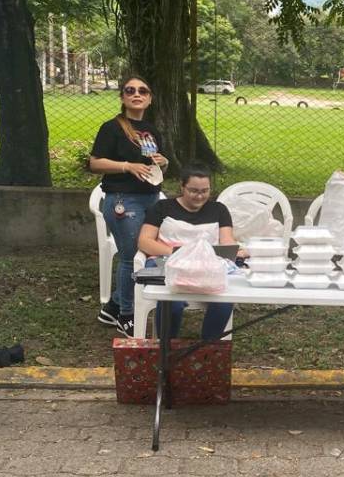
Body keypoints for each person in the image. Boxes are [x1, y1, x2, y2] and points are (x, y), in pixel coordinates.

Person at [89, 75, 168, 336]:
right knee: (131, 256)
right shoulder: (112, 128)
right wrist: (126, 166)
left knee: (144, 254)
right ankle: (127, 314)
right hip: (123, 199)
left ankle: (112, 307)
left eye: (143, 91)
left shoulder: (150, 129)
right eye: (130, 90)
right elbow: (95, 163)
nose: (137, 94)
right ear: (122, 97)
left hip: (151, 199)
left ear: (150, 98)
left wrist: (162, 161)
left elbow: (151, 163)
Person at [137, 163, 241, 341]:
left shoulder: (219, 210)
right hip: (167, 262)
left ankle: (207, 348)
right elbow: (144, 241)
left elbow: (227, 243)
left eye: (205, 191)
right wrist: (179, 253)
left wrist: (239, 251)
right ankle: (166, 347)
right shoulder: (162, 207)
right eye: (194, 191)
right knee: (172, 304)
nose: (200, 196)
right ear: (182, 187)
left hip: (206, 267)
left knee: (223, 302)